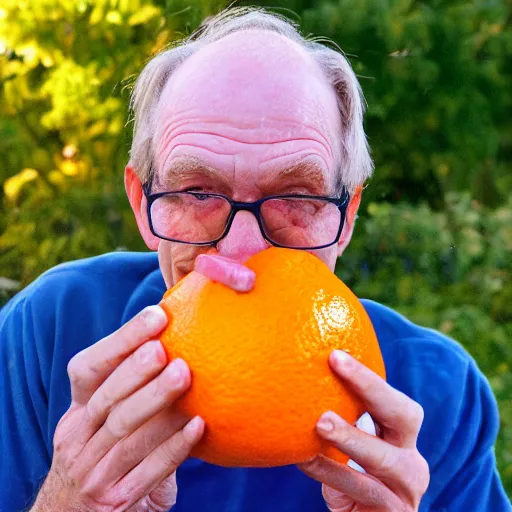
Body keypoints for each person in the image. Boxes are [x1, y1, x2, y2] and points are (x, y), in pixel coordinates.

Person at [0, 7, 509, 512]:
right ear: (141, 201)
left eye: (296, 195)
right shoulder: (50, 331)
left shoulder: (438, 396)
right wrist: (65, 501)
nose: (242, 253)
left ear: (347, 216)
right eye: (198, 190)